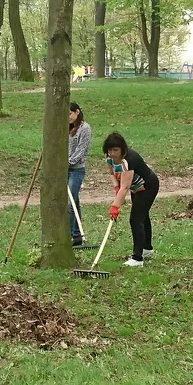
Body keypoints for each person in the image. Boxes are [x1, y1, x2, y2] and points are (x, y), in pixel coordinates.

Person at [104, 132, 159, 267]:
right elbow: (112, 173)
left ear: (123, 149)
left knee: (136, 219)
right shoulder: (109, 158)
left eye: (116, 150)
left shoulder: (128, 161)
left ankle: (137, 258)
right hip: (136, 187)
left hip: (147, 186)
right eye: (110, 150)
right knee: (142, 216)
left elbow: (125, 187)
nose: (112, 153)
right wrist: (115, 187)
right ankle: (146, 248)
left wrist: (115, 206)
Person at [68, 102, 92, 247]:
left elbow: (82, 149)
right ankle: (77, 236)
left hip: (76, 170)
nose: (68, 118)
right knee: (74, 201)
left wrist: (69, 162)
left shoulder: (85, 128)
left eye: (69, 114)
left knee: (70, 202)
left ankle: (71, 235)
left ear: (77, 112)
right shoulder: (65, 128)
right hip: (63, 169)